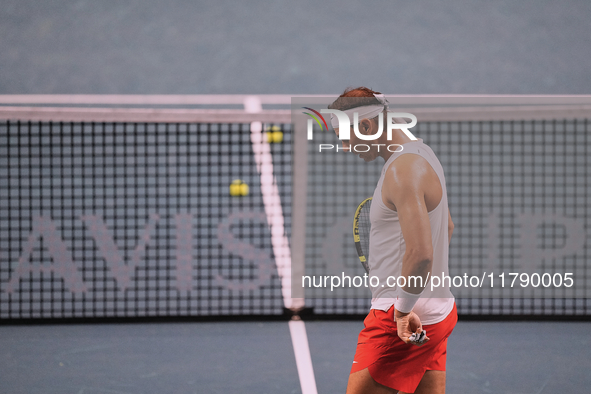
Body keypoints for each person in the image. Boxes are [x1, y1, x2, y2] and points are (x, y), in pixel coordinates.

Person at [328, 87, 457, 394]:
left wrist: (403, 308)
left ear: (367, 126)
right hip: (439, 312)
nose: (345, 147)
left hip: (401, 317)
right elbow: (447, 227)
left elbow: (421, 253)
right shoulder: (423, 153)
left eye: (345, 137)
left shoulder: (401, 171)